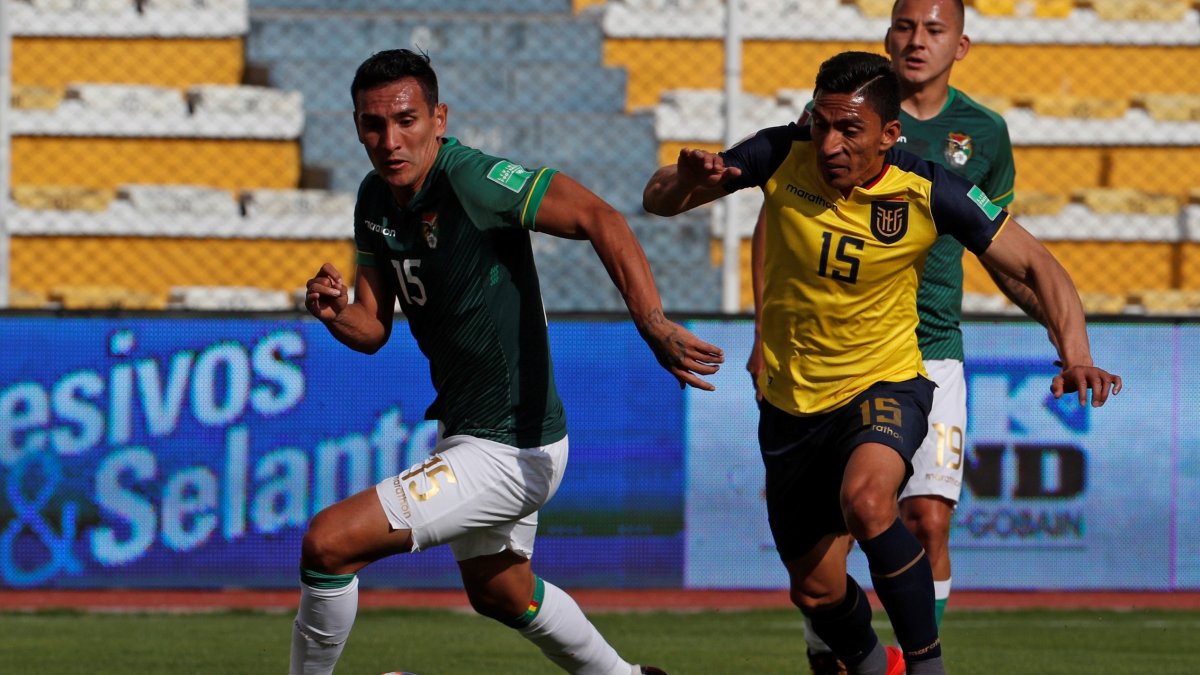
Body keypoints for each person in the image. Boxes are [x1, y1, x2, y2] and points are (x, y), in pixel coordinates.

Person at [643, 50, 1121, 675]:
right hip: (791, 403)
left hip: (885, 381)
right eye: (821, 124)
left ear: (889, 135)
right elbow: (658, 200)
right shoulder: (777, 153)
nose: (830, 143)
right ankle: (877, 667)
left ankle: (927, 665)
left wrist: (1076, 352)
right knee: (815, 591)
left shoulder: (928, 187)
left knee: (870, 503)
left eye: (850, 130)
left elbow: (1036, 264)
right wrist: (685, 179)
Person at [291, 48, 724, 675]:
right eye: (372, 124)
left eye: (406, 120)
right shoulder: (375, 200)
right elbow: (373, 327)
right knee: (501, 591)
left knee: (328, 544)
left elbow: (599, 217)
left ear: (439, 119)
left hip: (513, 447)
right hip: (467, 433)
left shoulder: (471, 180)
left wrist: (653, 322)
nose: (390, 139)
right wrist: (336, 313)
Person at [745, 3, 1041, 672]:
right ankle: (844, 658)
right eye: (906, 25)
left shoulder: (984, 134)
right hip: (822, 354)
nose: (917, 40)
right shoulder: (834, 115)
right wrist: (764, 324)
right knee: (825, 560)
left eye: (933, 29)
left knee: (921, 517)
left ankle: (917, 661)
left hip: (929, 347)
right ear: (888, 35)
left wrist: (1057, 322)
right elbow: (780, 215)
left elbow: (1003, 249)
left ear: (960, 45)